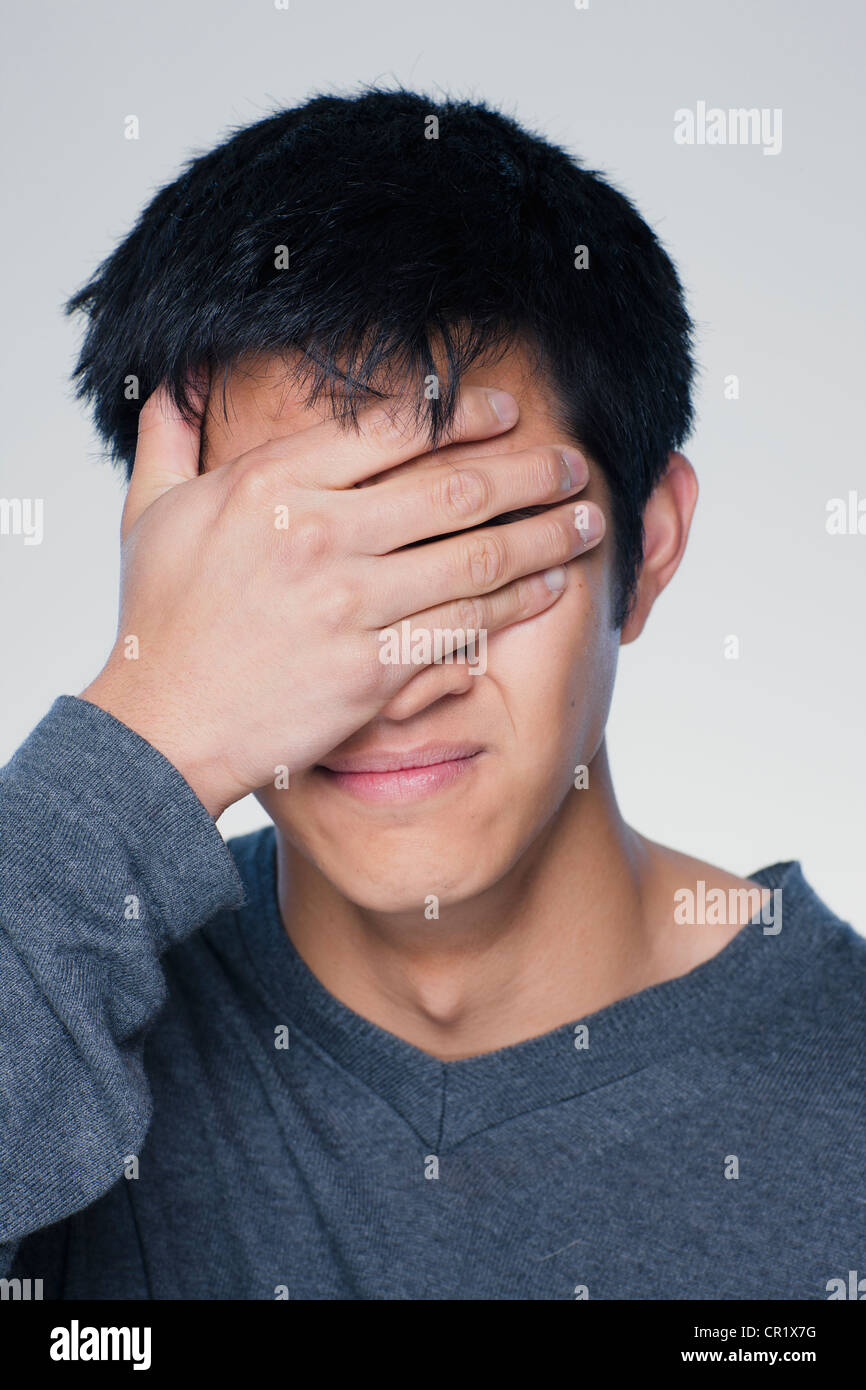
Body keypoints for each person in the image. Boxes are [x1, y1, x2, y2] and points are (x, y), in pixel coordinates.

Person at [1, 87, 863, 1301]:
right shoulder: (59, 1004)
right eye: (309, 571)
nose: (394, 683)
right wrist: (145, 732)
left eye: (482, 548)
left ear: (648, 544)